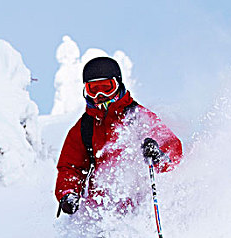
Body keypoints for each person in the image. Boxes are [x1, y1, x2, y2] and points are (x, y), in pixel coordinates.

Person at [55, 56, 183, 221]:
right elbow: (70, 167)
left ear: (118, 85)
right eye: (93, 89)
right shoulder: (84, 127)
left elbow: (173, 149)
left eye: (106, 87)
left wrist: (158, 156)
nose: (100, 95)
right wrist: (68, 193)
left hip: (140, 209)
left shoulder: (138, 117)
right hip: (100, 212)